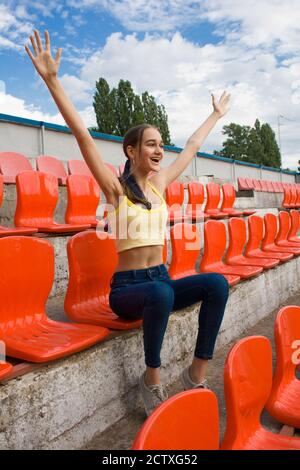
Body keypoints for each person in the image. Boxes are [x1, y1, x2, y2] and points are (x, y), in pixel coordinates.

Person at [25, 30, 231, 416]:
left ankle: (196, 372)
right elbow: (83, 137)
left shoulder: (162, 184)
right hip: (128, 291)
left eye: (160, 144)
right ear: (132, 151)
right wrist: (52, 80)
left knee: (216, 283)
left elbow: (190, 147)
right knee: (162, 295)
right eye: (151, 144)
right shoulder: (116, 190)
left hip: (162, 279)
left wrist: (216, 115)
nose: (159, 150)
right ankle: (151, 379)